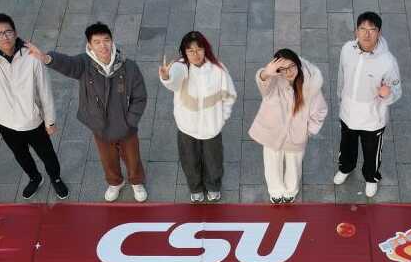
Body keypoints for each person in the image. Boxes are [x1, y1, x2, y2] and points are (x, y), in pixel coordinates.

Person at [26, 23, 149, 202]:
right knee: (108, 159)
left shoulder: (129, 67)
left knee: (132, 158)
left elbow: (140, 97)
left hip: (126, 127)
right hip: (100, 127)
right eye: (97, 42)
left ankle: (136, 182)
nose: (103, 45)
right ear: (90, 45)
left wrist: (130, 122)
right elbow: (68, 64)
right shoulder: (84, 64)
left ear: (112, 41)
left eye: (106, 40)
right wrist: (46, 58)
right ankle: (115, 183)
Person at [0, 13, 68, 200]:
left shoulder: (32, 56)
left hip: (33, 120)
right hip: (6, 123)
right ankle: (35, 178)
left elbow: (45, 90)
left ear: (15, 33)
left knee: (47, 154)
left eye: (8, 32)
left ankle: (56, 178)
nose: (5, 36)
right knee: (21, 155)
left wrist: (50, 121)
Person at [159, 31, 237, 202]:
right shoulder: (181, 67)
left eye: (199, 49)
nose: (195, 54)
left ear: (205, 49)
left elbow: (230, 95)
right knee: (189, 160)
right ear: (185, 53)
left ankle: (213, 186)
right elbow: (174, 80)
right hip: (187, 127)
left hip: (212, 127)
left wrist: (222, 118)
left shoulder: (218, 70)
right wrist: (166, 77)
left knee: (214, 161)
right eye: (190, 51)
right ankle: (195, 188)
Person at [332, 11, 402, 198]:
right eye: (362, 29)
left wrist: (387, 94)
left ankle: (371, 178)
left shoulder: (388, 62)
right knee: (346, 146)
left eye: (372, 30)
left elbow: (396, 91)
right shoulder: (347, 49)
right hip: (348, 113)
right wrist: (341, 99)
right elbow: (341, 77)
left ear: (379, 32)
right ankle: (346, 168)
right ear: (356, 31)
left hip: (373, 119)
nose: (366, 34)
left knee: (372, 152)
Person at [248, 49, 328, 203]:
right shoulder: (273, 81)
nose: (289, 72)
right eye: (283, 69)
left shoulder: (310, 86)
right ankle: (275, 190)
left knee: (294, 165)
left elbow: (320, 111)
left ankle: (291, 189)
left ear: (298, 64)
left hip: (296, 135)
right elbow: (263, 84)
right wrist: (266, 73)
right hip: (272, 132)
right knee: (272, 163)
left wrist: (308, 131)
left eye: (291, 66)